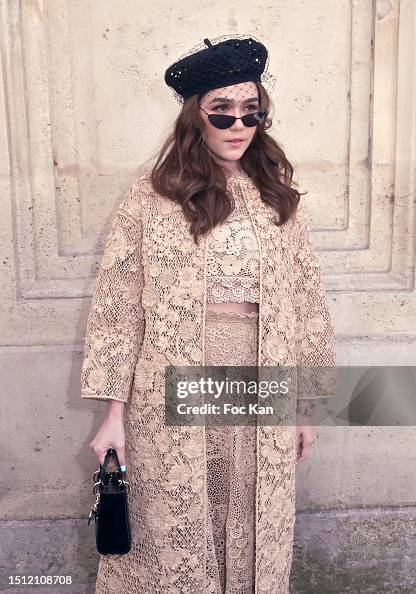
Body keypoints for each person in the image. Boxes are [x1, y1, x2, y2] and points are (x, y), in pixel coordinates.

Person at [80, 34, 336, 594]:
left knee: (252, 512)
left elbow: (306, 299)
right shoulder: (152, 196)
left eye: (252, 112)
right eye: (222, 112)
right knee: (180, 521)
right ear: (196, 117)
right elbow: (118, 305)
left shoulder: (276, 194)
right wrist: (113, 414)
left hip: (263, 373)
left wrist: (305, 406)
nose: (238, 126)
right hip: (173, 378)